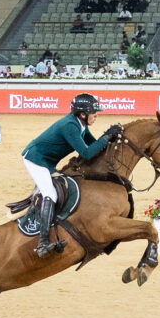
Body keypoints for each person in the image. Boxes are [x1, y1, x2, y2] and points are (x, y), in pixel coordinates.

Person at [17, 92, 113, 256]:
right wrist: (105, 138)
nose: (97, 115)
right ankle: (42, 243)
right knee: (51, 194)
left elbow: (93, 144)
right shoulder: (70, 125)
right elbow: (87, 153)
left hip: (47, 161)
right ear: (83, 114)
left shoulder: (81, 125)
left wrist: (110, 138)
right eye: (94, 112)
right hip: (36, 159)